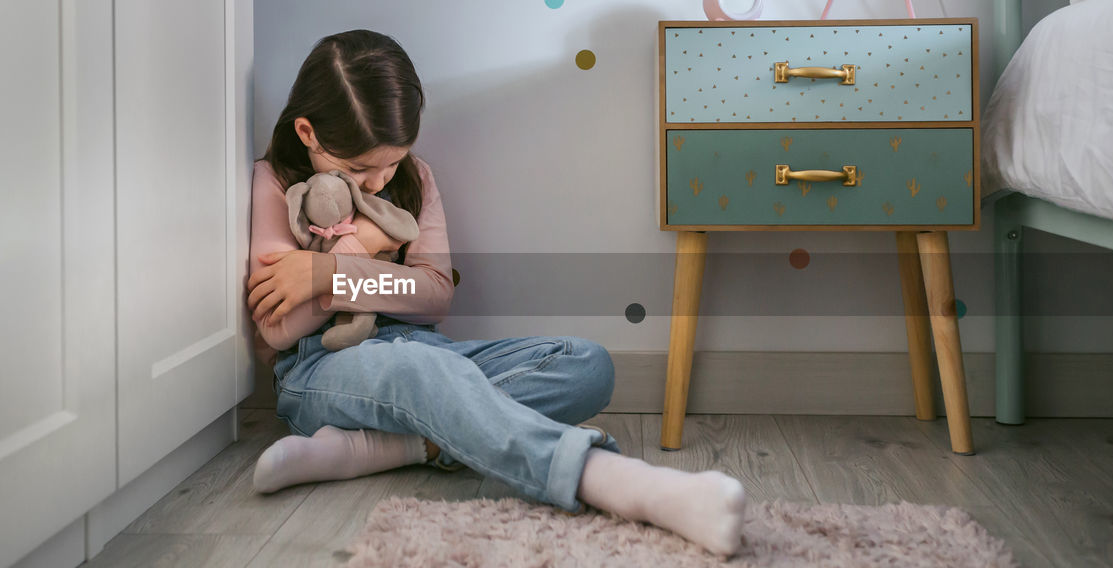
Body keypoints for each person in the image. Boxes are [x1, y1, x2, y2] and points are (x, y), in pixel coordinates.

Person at [245, 29, 746, 558]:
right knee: (422, 370)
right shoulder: (276, 183)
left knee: (588, 364)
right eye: (358, 169)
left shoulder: (415, 180)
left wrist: (328, 274)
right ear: (308, 132)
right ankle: (620, 482)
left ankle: (392, 446)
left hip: (427, 350)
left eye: (391, 162)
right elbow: (282, 326)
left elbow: (434, 296)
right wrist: (363, 254)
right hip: (318, 368)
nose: (377, 183)